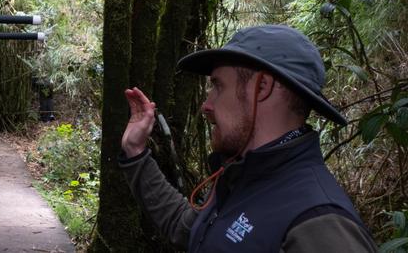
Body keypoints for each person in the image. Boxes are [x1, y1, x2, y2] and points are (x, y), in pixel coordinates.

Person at [119, 25, 377, 252]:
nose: (206, 105)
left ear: (262, 87)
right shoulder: (244, 176)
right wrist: (135, 151)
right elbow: (189, 230)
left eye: (218, 86)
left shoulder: (319, 224)